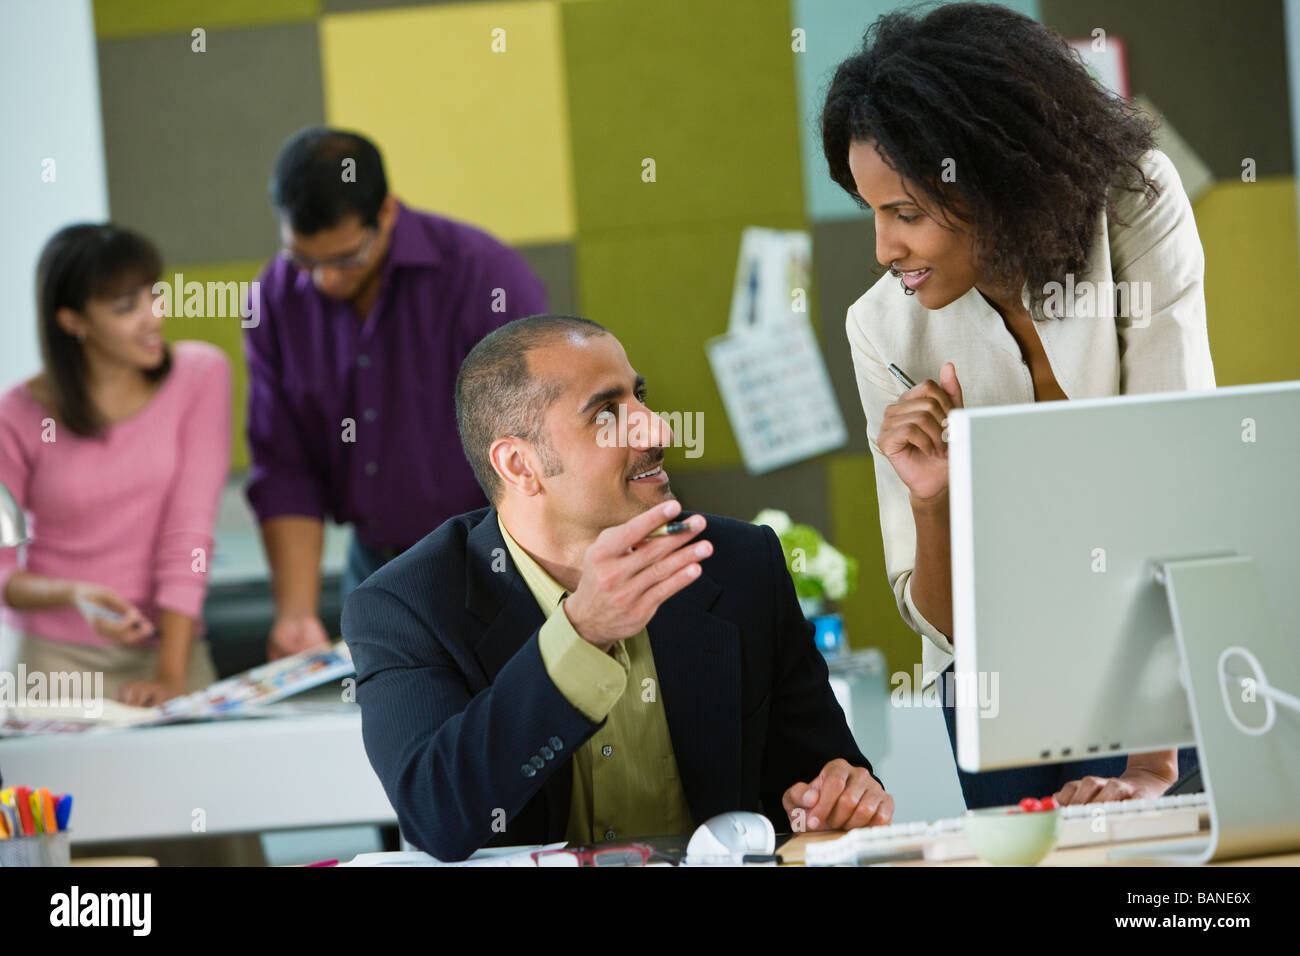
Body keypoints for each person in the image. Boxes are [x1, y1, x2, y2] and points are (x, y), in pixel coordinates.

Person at [821, 4, 1210, 808]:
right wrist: (932, 504)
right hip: (1002, 685)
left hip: (1174, 662)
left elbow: (1178, 479)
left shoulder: (1131, 210)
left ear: (995, 183)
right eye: (872, 210)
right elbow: (946, 631)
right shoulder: (881, 326)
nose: (884, 250)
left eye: (907, 213)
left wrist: (1150, 768)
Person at [341, 314, 891, 860]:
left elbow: (816, 777)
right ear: (519, 464)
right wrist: (581, 635)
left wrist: (836, 798)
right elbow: (438, 817)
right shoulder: (405, 605)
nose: (657, 430)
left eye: (640, 398)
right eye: (608, 413)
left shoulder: (741, 564)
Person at [245, 127, 548, 661]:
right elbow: (284, 469)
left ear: (385, 212)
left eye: (343, 259)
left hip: (494, 554)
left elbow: (542, 440)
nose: (321, 282)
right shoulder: (274, 299)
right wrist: (294, 613)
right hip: (375, 563)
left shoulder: (482, 275)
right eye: (302, 260)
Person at [0, 224, 231, 706]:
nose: (154, 317)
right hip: (56, 663)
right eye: (126, 307)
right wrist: (73, 594)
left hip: (174, 646)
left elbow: (190, 530)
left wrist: (171, 675)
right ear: (72, 321)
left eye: (154, 295)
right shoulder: (16, 415)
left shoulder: (200, 375)